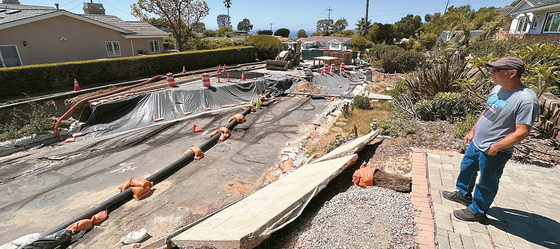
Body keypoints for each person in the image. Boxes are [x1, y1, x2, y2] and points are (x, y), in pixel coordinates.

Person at [442, 57, 539, 222]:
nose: (490, 72)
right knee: (467, 168)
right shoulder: (497, 89)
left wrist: (495, 148)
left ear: (512, 73)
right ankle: (463, 194)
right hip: (477, 142)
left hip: (494, 150)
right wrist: (473, 131)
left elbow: (522, 132)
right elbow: (487, 111)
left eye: (495, 70)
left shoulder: (526, 99)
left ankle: (478, 210)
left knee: (487, 181)